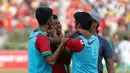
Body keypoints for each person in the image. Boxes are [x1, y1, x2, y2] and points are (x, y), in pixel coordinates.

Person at [28, 7, 70, 73]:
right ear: (49, 21)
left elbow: (56, 40)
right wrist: (62, 44)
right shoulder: (42, 38)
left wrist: (57, 35)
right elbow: (51, 61)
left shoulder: (34, 33)